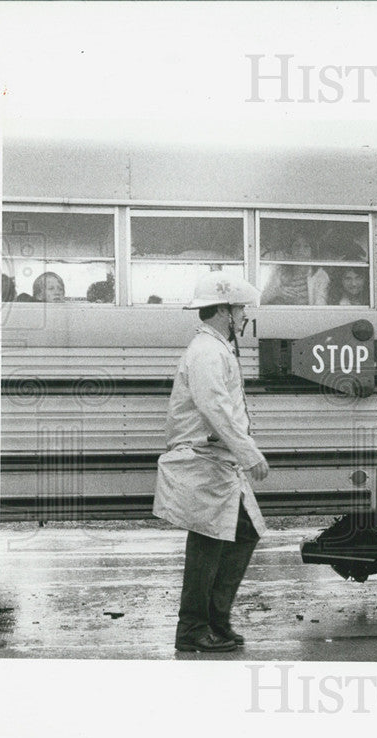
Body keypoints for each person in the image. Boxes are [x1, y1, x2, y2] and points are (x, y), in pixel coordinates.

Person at [153, 271, 270, 653]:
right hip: (202, 462)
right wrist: (250, 453)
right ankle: (193, 629)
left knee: (242, 533)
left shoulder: (216, 348)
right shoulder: (207, 351)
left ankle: (215, 621)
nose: (243, 318)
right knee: (207, 542)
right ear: (223, 310)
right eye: (240, 310)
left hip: (215, 463)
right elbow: (216, 408)